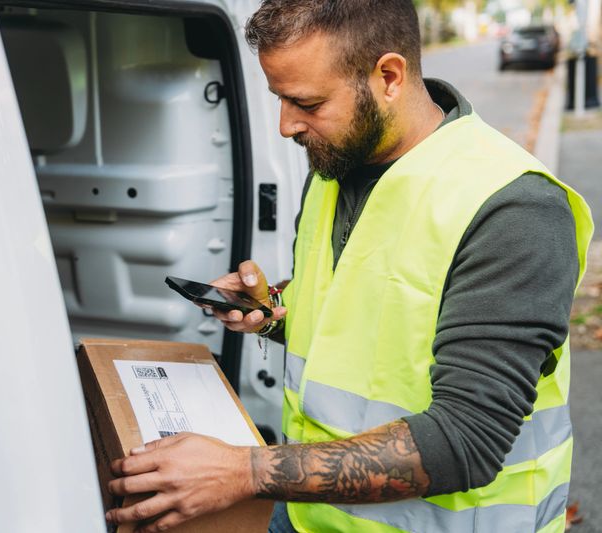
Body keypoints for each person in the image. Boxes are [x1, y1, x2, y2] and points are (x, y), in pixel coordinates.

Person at [104, 1, 594, 532]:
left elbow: (466, 439)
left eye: (306, 102)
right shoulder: (333, 171)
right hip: (310, 518)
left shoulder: (512, 208)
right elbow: (370, 323)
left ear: (388, 76)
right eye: (279, 99)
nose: (286, 125)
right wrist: (274, 312)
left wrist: (242, 471)